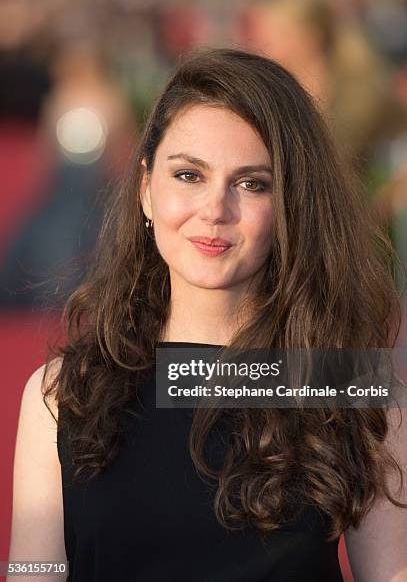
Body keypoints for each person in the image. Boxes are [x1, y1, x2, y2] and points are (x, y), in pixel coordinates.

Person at [8, 47, 407, 582]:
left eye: (251, 183)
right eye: (189, 175)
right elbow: (34, 570)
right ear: (147, 189)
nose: (215, 210)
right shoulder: (62, 395)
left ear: (291, 205)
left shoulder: (354, 390)